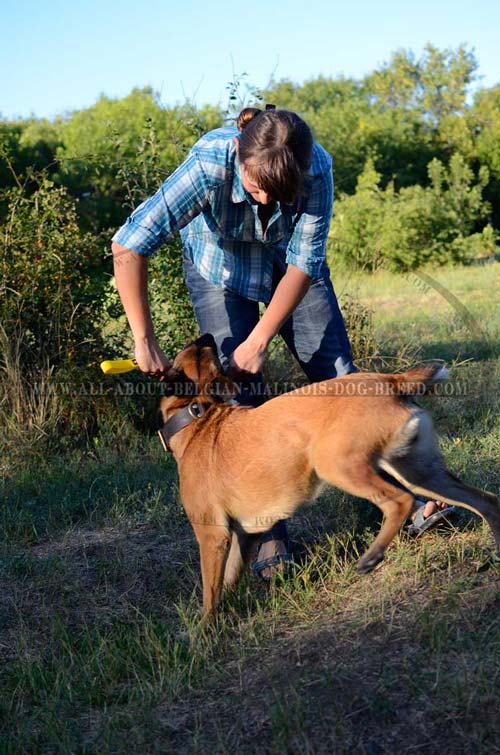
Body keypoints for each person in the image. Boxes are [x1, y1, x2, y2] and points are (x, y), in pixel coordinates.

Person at [111, 105, 453, 579]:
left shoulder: (317, 167)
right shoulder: (209, 161)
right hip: (220, 271)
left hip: (292, 269)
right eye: (255, 187)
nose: (268, 201)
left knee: (336, 374)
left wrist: (261, 338)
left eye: (279, 192)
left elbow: (305, 261)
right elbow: (129, 244)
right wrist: (143, 337)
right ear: (238, 153)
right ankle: (268, 535)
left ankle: (409, 496)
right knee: (237, 397)